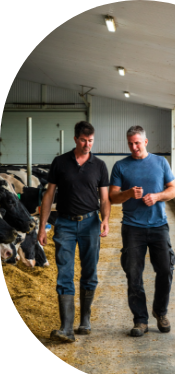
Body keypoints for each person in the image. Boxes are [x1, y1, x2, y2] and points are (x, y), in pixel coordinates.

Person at [38, 121, 110, 342]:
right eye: (83, 140)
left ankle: (85, 319)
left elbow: (105, 198)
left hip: (90, 224)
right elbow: (49, 195)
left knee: (89, 272)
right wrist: (42, 226)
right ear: (75, 139)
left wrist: (105, 218)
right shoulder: (60, 162)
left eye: (90, 141)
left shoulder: (99, 165)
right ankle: (66, 328)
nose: (87, 144)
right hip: (65, 225)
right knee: (65, 273)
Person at [109, 125, 175, 337]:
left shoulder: (160, 162)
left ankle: (161, 312)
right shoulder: (121, 166)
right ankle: (140, 320)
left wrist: (157, 196)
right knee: (133, 273)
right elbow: (113, 197)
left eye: (137, 143)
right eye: (130, 143)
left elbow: (173, 190)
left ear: (145, 142)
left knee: (165, 269)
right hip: (132, 228)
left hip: (159, 225)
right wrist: (128, 193)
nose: (134, 147)